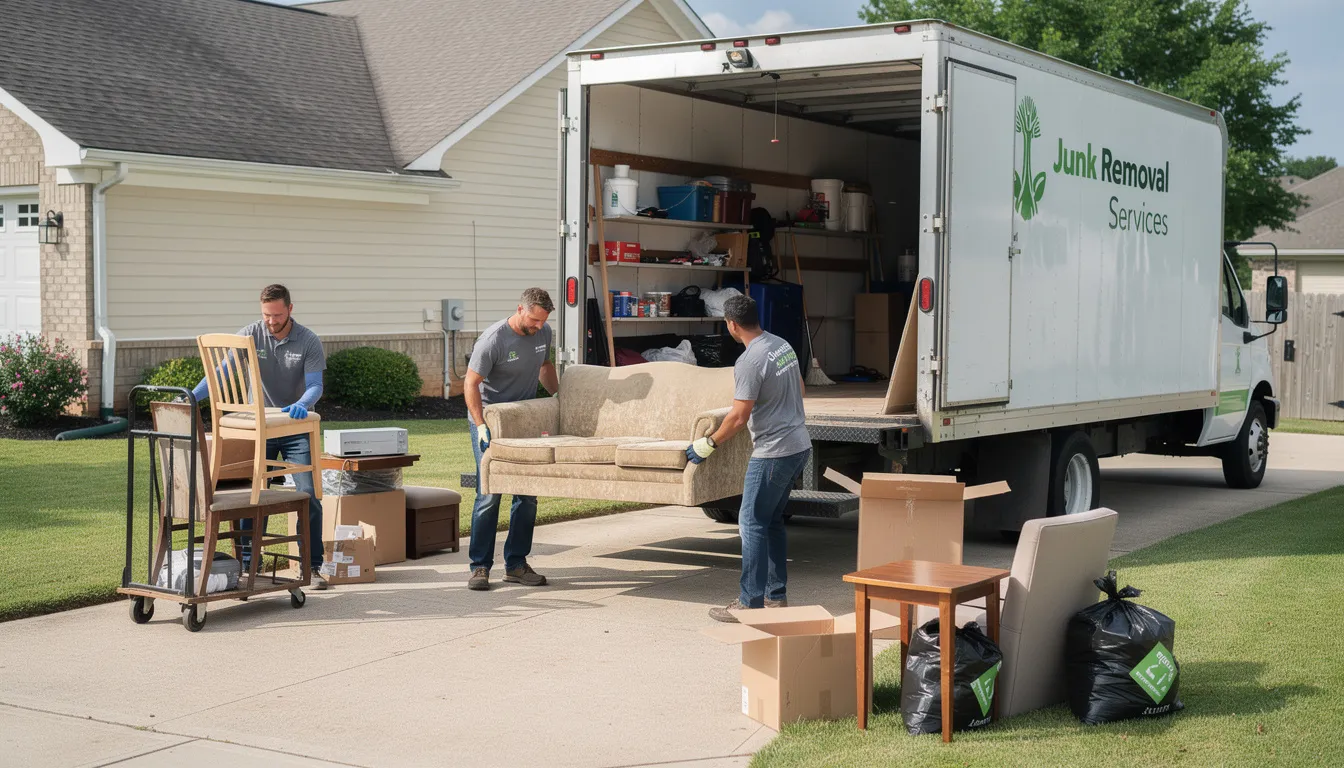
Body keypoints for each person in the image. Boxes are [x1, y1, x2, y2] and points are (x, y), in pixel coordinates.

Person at [189, 284, 329, 589]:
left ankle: (313, 567)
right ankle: (248, 566)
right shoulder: (250, 334)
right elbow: (222, 372)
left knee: (309, 495)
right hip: (257, 429)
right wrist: (191, 397)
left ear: (290, 309)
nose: (271, 321)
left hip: (294, 429)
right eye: (266, 315)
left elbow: (316, 386)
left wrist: (303, 405)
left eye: (277, 315)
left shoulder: (308, 341)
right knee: (252, 497)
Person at [686, 295, 811, 623]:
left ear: (732, 325)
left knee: (751, 523)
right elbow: (799, 387)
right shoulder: (781, 345)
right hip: (799, 446)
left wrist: (708, 443)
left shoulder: (749, 361)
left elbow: (739, 417)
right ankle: (775, 596)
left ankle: (750, 603)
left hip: (773, 453)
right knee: (770, 522)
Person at [464, 287, 560, 591]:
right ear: (520, 309)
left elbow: (545, 367)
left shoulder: (543, 334)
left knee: (527, 494)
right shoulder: (493, 340)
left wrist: (560, 396)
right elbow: (470, 383)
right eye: (534, 320)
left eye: (543, 321)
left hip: (524, 420)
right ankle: (480, 567)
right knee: (489, 494)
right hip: (491, 421)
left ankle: (516, 564)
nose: (538, 327)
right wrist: (480, 425)